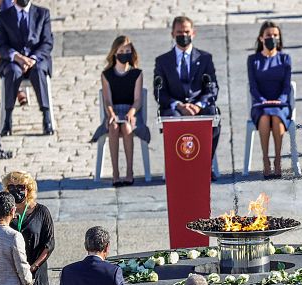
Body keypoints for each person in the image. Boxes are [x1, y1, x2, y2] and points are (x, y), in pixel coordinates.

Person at [154, 16, 220, 179]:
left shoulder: (205, 58)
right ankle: (179, 168)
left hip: (198, 106)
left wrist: (198, 104)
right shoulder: (162, 61)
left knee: (213, 115)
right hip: (175, 108)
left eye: (186, 31)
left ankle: (206, 165)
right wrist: (178, 105)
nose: (183, 35)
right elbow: (159, 91)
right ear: (172, 34)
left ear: (193, 33)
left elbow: (212, 88)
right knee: (174, 120)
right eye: (179, 32)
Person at [91, 35, 151, 187]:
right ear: (115, 52)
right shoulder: (107, 74)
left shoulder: (136, 73)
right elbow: (107, 100)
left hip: (132, 112)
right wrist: (111, 114)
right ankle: (115, 173)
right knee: (114, 127)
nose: (125, 53)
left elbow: (137, 100)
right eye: (122, 50)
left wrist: (131, 113)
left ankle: (130, 171)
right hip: (114, 111)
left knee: (127, 127)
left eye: (128, 50)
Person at [0, 0, 54, 136]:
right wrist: (17, 57)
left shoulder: (42, 14)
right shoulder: (4, 16)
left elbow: (47, 42)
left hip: (36, 60)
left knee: (39, 71)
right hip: (14, 61)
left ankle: (47, 118)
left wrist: (33, 59)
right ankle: (7, 120)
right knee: (12, 72)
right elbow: (1, 45)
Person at [247, 20, 292, 178]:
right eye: (268, 35)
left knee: (276, 117)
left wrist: (279, 100)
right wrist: (263, 100)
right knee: (266, 116)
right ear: (261, 38)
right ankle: (266, 159)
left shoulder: (285, 59)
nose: (272, 38)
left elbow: (287, 86)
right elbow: (253, 86)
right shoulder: (253, 60)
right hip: (261, 104)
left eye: (275, 35)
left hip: (281, 104)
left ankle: (278, 160)